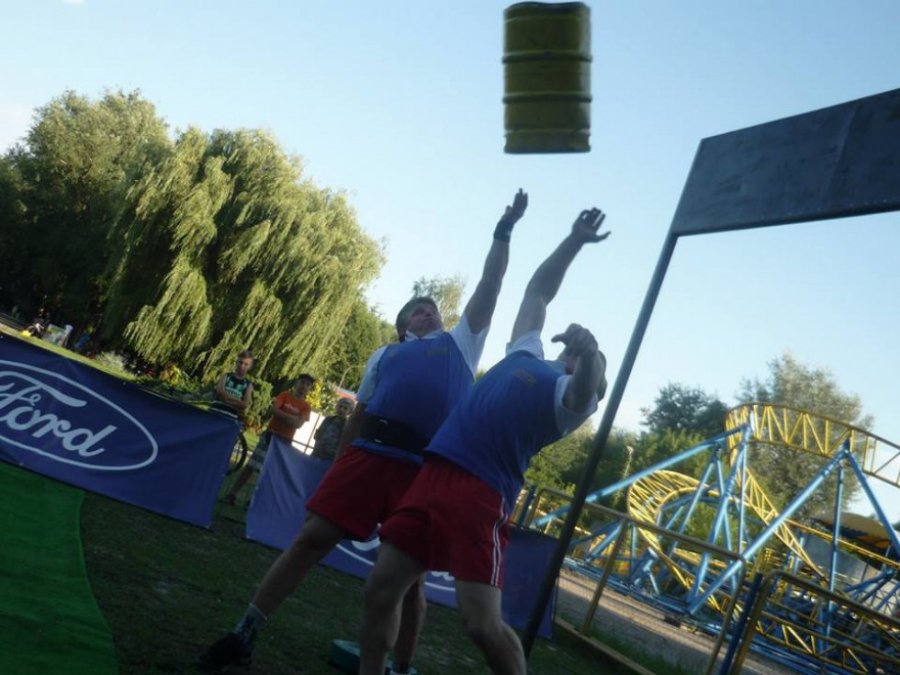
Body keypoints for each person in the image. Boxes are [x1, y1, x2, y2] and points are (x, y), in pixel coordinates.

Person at [197, 190, 528, 673]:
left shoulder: (462, 343)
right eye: (418, 309)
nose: (429, 311)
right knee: (310, 539)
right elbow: (359, 414)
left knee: (410, 583)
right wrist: (340, 464)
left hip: (426, 471)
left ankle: (400, 668)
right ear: (402, 324)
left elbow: (491, 284)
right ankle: (243, 633)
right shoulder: (384, 355)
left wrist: (504, 231)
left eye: (433, 308)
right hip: (370, 456)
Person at [359, 207, 610, 675]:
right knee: (380, 589)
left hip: (480, 494)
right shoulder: (526, 352)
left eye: (590, 363)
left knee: (481, 624)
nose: (580, 356)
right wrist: (575, 241)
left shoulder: (571, 400)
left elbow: (586, 387)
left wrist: (593, 354)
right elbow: (538, 291)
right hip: (433, 473)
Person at [224, 374, 316, 505]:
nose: (304, 386)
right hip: (270, 435)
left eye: (308, 384)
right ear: (296, 383)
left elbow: (298, 424)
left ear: (310, 388)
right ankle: (233, 493)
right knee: (251, 466)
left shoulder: (306, 406)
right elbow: (274, 410)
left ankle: (255, 500)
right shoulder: (285, 395)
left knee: (270, 471)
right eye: (302, 382)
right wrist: (291, 418)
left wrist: (283, 415)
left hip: (285, 441)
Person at [209, 350, 255, 421]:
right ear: (236, 362)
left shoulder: (248, 385)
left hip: (230, 419)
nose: (242, 366)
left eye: (246, 364)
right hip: (214, 413)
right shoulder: (226, 376)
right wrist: (238, 401)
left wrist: (225, 399)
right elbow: (220, 392)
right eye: (240, 362)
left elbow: (244, 404)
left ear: (250, 367)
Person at [310, 397, 355, 461]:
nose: (341, 409)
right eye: (340, 406)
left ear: (349, 412)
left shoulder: (347, 426)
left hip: (330, 457)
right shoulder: (328, 419)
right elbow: (318, 433)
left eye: (345, 408)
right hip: (317, 451)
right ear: (336, 406)